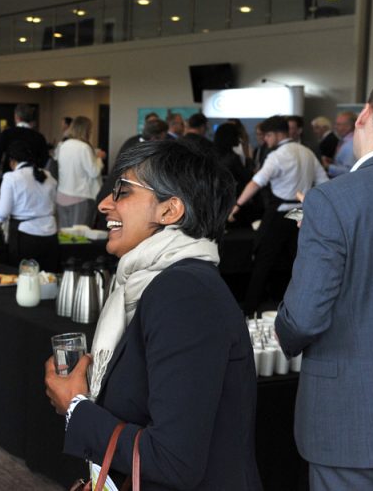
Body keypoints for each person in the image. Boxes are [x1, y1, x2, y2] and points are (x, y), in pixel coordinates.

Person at [45, 140, 261, 490]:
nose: (104, 204)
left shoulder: (184, 293)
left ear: (170, 210)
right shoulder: (154, 285)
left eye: (123, 192)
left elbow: (174, 461)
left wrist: (75, 406)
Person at [275, 79, 373, 490]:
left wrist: (280, 331)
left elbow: (303, 317)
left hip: (352, 418)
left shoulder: (332, 201)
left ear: (364, 116)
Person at [230, 115, 327, 314]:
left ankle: (250, 309)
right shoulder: (307, 152)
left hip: (280, 213)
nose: (265, 140)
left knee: (263, 260)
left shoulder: (277, 156)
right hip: (301, 213)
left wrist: (237, 205)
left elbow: (257, 182)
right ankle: (301, 309)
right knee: (298, 261)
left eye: (266, 136)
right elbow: (324, 182)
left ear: (275, 134)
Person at [0, 141, 59, 271]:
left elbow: (2, 213)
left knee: (24, 282)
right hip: (50, 236)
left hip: (24, 237)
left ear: (12, 161)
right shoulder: (48, 175)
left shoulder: (11, 178)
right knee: (48, 279)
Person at [55, 115, 105, 227]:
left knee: (64, 235)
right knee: (79, 237)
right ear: (86, 130)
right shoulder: (84, 147)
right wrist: (99, 158)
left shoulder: (62, 145)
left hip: (61, 195)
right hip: (79, 197)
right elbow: (94, 172)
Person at [0, 103, 49, 170]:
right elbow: (45, 159)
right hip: (33, 176)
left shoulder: (7, 133)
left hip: (10, 173)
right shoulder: (39, 137)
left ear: (16, 117)